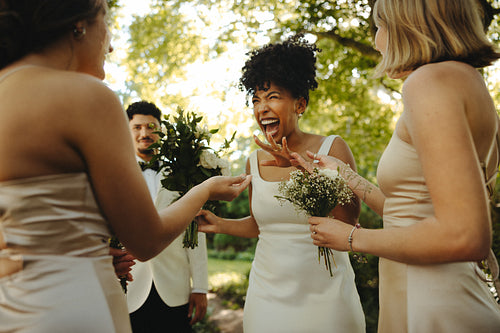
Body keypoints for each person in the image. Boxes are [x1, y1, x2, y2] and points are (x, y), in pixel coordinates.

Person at [0, 1, 251, 332]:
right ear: (79, 24)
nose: (112, 43)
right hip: (75, 309)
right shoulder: (88, 97)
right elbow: (147, 241)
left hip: (13, 310)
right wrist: (203, 191)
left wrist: (100, 252)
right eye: (107, 22)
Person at [289, 0, 500, 332]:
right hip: (428, 287)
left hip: (431, 297)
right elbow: (411, 213)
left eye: (381, 26)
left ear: (409, 24)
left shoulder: (428, 82)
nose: (377, 41)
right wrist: (342, 173)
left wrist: (350, 238)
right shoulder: (464, 79)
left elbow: (465, 235)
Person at [196, 34, 366, 333]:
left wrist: (303, 171)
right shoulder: (253, 161)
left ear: (300, 103)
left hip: (326, 294)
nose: (261, 108)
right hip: (267, 296)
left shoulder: (331, 149)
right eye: (256, 100)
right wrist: (219, 223)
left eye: (273, 96)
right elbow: (262, 224)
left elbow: (349, 221)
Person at [125, 101, 209, 333]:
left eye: (151, 127)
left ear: (161, 131)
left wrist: (200, 286)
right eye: (137, 127)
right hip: (129, 287)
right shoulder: (116, 173)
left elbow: (196, 229)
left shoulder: (182, 174)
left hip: (174, 287)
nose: (145, 133)